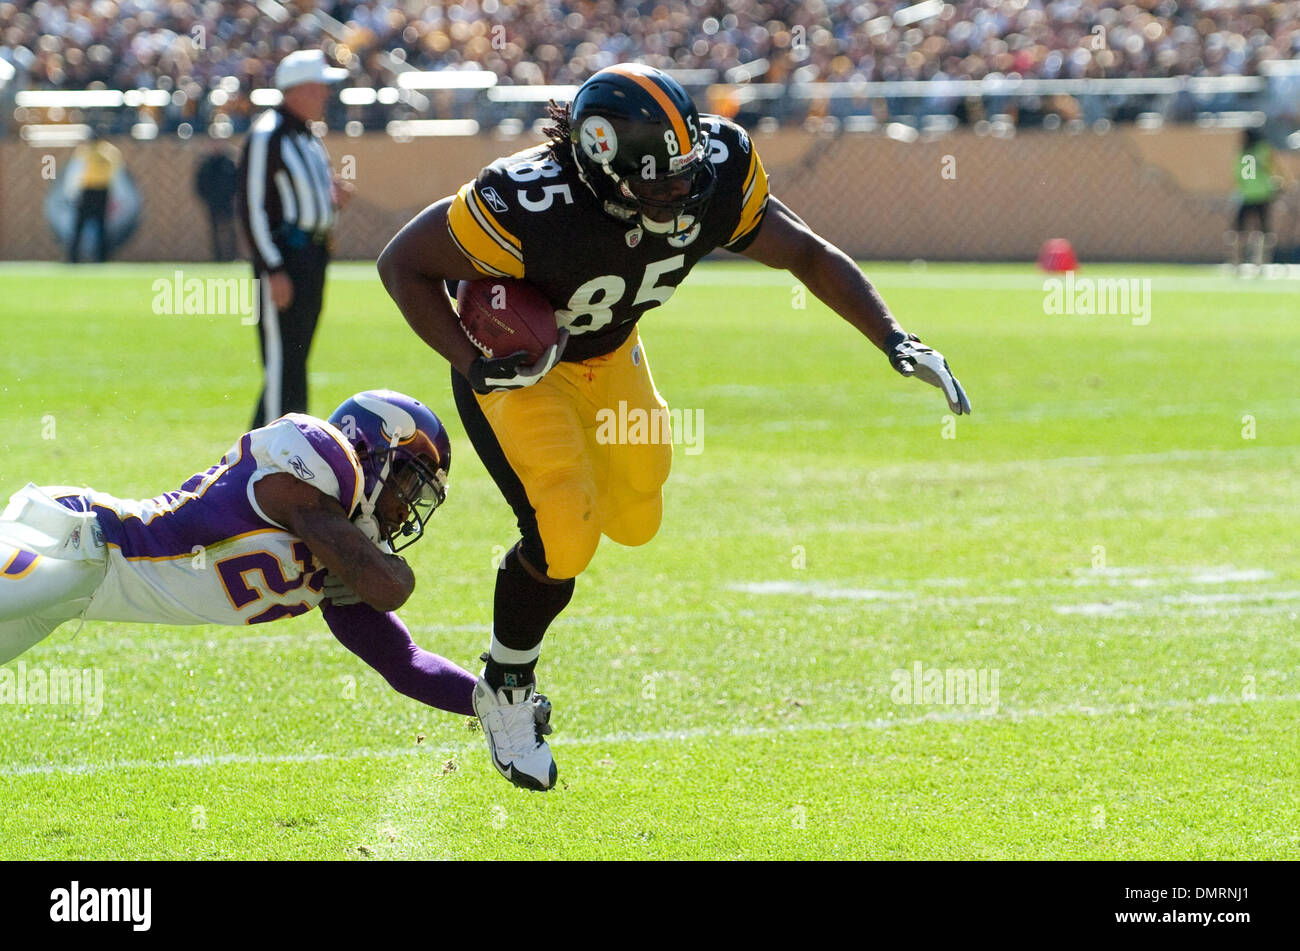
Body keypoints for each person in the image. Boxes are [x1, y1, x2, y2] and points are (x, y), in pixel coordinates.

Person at [378, 63, 970, 791]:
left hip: (613, 354)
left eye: (681, 173)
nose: (676, 191)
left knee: (636, 517)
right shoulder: (524, 202)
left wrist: (894, 337)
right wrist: (474, 361)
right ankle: (506, 683)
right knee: (565, 531)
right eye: (654, 181)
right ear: (598, 168)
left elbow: (805, 252)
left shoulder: (713, 170)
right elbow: (403, 262)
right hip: (525, 373)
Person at [0, 390, 496, 726]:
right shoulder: (319, 468)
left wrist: (496, 705)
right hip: (77, 543)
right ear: (375, 452)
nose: (407, 508)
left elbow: (404, 663)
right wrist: (397, 577)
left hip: (75, 594)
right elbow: (388, 586)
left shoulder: (345, 549)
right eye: (409, 483)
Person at [237, 49, 354, 429]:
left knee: (296, 359)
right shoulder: (267, 134)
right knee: (282, 361)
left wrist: (331, 198)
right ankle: (261, 455)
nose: (325, 95)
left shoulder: (308, 137)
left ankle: (289, 447)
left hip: (314, 255)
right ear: (298, 90)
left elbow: (303, 197)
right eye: (319, 88)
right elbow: (252, 207)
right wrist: (272, 268)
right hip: (285, 258)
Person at [67, 127, 123, 264]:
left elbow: (75, 173)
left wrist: (72, 193)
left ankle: (73, 258)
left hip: (88, 191)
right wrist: (114, 195)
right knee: (101, 227)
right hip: (102, 192)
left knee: (79, 226)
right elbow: (116, 176)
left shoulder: (84, 152)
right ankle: (102, 258)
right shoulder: (110, 152)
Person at [1230, 126, 1281, 269]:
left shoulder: (1242, 152)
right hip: (1263, 194)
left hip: (1246, 195)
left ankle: (1236, 263)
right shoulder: (1263, 149)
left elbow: (1238, 175)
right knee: (1264, 231)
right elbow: (1272, 166)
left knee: (1239, 231)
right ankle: (1261, 263)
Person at [195, 142, 239, 262]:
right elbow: (199, 184)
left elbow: (237, 182)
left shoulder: (229, 162)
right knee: (214, 232)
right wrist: (207, 199)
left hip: (227, 202)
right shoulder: (206, 164)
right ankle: (218, 257)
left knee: (230, 230)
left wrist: (233, 198)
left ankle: (233, 256)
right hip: (213, 203)